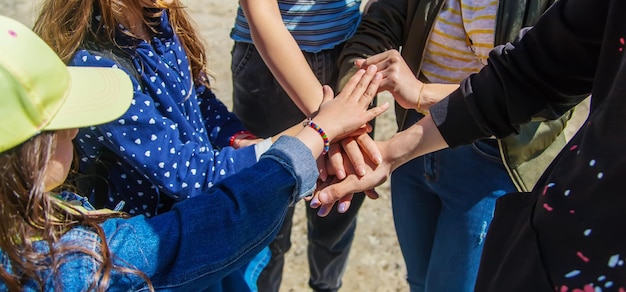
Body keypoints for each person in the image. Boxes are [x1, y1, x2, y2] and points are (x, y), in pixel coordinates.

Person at [0, 14, 387, 290]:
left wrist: (249, 141)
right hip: (168, 222)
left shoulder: (157, 20)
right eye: (65, 128)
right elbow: (194, 204)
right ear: (20, 160)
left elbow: (199, 100)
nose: (75, 130)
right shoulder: (72, 260)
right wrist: (316, 135)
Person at [315, 0, 626, 289]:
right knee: (420, 281)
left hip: (496, 157)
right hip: (415, 142)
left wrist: (425, 94)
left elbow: (548, 87)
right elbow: (379, 23)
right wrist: (353, 118)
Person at [230, 1, 370, 291]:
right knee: (266, 215)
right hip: (269, 60)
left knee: (338, 208)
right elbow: (262, 12)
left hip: (348, 57)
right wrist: (333, 122)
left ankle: (327, 286)